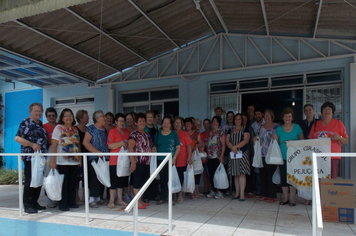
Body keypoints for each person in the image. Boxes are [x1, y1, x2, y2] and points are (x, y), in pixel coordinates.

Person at [15, 103, 48, 214]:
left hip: (40, 157)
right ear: (30, 111)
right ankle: (28, 204)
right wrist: (31, 144)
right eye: (36, 111)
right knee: (30, 180)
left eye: (40, 111)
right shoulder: (26, 122)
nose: (38, 113)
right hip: (31, 157)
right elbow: (17, 138)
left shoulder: (40, 123)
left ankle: (34, 202)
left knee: (38, 180)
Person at [50, 108, 81, 211]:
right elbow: (54, 145)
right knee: (63, 183)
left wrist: (80, 158)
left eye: (70, 115)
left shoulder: (75, 129)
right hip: (62, 161)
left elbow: (78, 144)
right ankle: (63, 204)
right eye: (66, 115)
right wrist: (52, 160)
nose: (68, 117)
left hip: (74, 161)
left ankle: (72, 202)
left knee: (72, 183)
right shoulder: (58, 128)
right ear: (62, 118)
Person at [308, 102, 348, 178]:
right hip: (319, 155)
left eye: (329, 109)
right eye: (325, 109)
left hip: (333, 156)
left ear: (332, 112)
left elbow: (346, 141)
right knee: (318, 177)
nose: (327, 111)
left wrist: (339, 137)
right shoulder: (316, 124)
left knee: (332, 179)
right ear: (322, 112)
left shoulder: (338, 123)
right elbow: (310, 140)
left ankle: (331, 190)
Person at [273, 108, 303, 207]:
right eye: (286, 116)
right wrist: (275, 139)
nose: (288, 118)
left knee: (293, 179)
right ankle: (285, 198)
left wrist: (294, 142)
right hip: (282, 157)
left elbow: (302, 142)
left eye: (289, 116)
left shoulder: (297, 127)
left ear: (292, 117)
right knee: (284, 179)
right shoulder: (279, 129)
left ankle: (292, 199)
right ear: (283, 117)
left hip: (294, 158)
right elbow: (276, 144)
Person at [83, 110, 109, 208]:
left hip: (104, 158)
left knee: (102, 177)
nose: (105, 118)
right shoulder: (91, 129)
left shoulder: (104, 130)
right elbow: (86, 142)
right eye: (103, 116)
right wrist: (96, 152)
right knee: (94, 178)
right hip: (95, 158)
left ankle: (98, 197)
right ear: (97, 118)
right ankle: (92, 198)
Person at [128, 113, 154, 209]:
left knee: (144, 182)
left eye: (143, 121)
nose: (142, 123)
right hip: (138, 162)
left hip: (146, 162)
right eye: (140, 121)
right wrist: (133, 162)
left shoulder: (147, 135)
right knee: (137, 182)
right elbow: (130, 148)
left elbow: (149, 147)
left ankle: (141, 200)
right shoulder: (134, 134)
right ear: (136, 123)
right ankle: (137, 202)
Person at [253, 109, 279, 203]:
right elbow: (257, 137)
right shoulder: (260, 127)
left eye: (269, 115)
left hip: (272, 154)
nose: (267, 117)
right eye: (266, 116)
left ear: (272, 116)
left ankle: (272, 195)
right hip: (262, 154)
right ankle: (264, 194)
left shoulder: (276, 126)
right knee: (262, 175)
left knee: (271, 175)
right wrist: (254, 139)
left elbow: (279, 139)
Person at [154, 115, 180, 205]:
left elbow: (178, 147)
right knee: (163, 179)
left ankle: (171, 198)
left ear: (170, 125)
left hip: (170, 160)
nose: (166, 125)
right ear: (162, 124)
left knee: (170, 179)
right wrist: (154, 148)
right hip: (160, 160)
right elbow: (155, 145)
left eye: (168, 123)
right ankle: (163, 197)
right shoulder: (158, 133)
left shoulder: (173, 134)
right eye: (164, 123)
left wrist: (174, 158)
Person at [107, 113, 130, 208]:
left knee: (121, 180)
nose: (121, 123)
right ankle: (111, 200)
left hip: (124, 161)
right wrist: (120, 143)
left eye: (122, 121)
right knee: (114, 181)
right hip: (114, 160)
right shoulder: (112, 132)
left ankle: (119, 199)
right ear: (116, 122)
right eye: (119, 121)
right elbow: (110, 145)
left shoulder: (127, 132)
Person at [226, 113, 250, 201]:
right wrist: (232, 147)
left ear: (242, 120)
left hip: (242, 153)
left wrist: (235, 147)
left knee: (242, 173)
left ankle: (242, 194)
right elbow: (227, 140)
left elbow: (246, 140)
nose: (238, 121)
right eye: (236, 119)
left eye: (239, 119)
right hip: (233, 154)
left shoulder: (245, 129)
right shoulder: (230, 130)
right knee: (235, 174)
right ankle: (237, 193)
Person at [206, 116, 226, 199]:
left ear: (219, 123)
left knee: (217, 174)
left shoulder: (220, 132)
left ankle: (219, 191)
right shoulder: (211, 132)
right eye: (213, 121)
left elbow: (223, 145)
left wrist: (221, 156)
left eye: (216, 122)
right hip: (210, 157)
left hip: (217, 156)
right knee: (211, 174)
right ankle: (213, 190)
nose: (215, 123)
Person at [173, 117, 192, 202]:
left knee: (181, 177)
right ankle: (173, 195)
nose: (177, 125)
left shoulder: (184, 134)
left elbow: (189, 147)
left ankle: (180, 194)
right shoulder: (171, 133)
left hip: (182, 160)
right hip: (172, 160)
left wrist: (189, 158)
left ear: (182, 125)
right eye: (176, 123)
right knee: (173, 177)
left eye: (179, 123)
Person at [184, 117, 204, 198]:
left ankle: (195, 191)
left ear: (192, 125)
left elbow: (201, 144)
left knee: (196, 174)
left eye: (189, 123)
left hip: (193, 156)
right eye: (186, 124)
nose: (188, 125)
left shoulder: (196, 133)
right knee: (186, 173)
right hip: (184, 156)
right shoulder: (183, 133)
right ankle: (187, 191)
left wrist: (197, 145)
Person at [43, 107, 58, 208]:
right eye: (49, 116)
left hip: (60, 155)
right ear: (46, 117)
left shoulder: (59, 126)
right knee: (49, 177)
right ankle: (49, 197)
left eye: (53, 115)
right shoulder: (44, 127)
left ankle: (57, 197)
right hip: (48, 155)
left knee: (58, 177)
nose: (51, 117)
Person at [75, 109, 89, 204]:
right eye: (86, 116)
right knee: (77, 178)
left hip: (87, 155)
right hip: (78, 156)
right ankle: (76, 197)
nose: (88, 118)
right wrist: (79, 157)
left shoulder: (87, 129)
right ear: (80, 118)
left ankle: (85, 196)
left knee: (86, 177)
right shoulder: (75, 129)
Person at [242, 112, 256, 198]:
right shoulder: (237, 129)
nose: (243, 120)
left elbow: (252, 142)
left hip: (249, 153)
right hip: (239, 153)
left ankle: (250, 190)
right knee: (241, 173)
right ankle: (243, 190)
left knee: (250, 172)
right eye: (242, 118)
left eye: (245, 118)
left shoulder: (250, 129)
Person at [200, 118, 211, 194]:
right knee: (205, 173)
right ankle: (206, 188)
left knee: (211, 172)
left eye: (207, 123)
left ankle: (213, 188)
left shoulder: (212, 132)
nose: (206, 125)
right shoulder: (202, 134)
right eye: (205, 124)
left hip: (212, 155)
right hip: (204, 155)